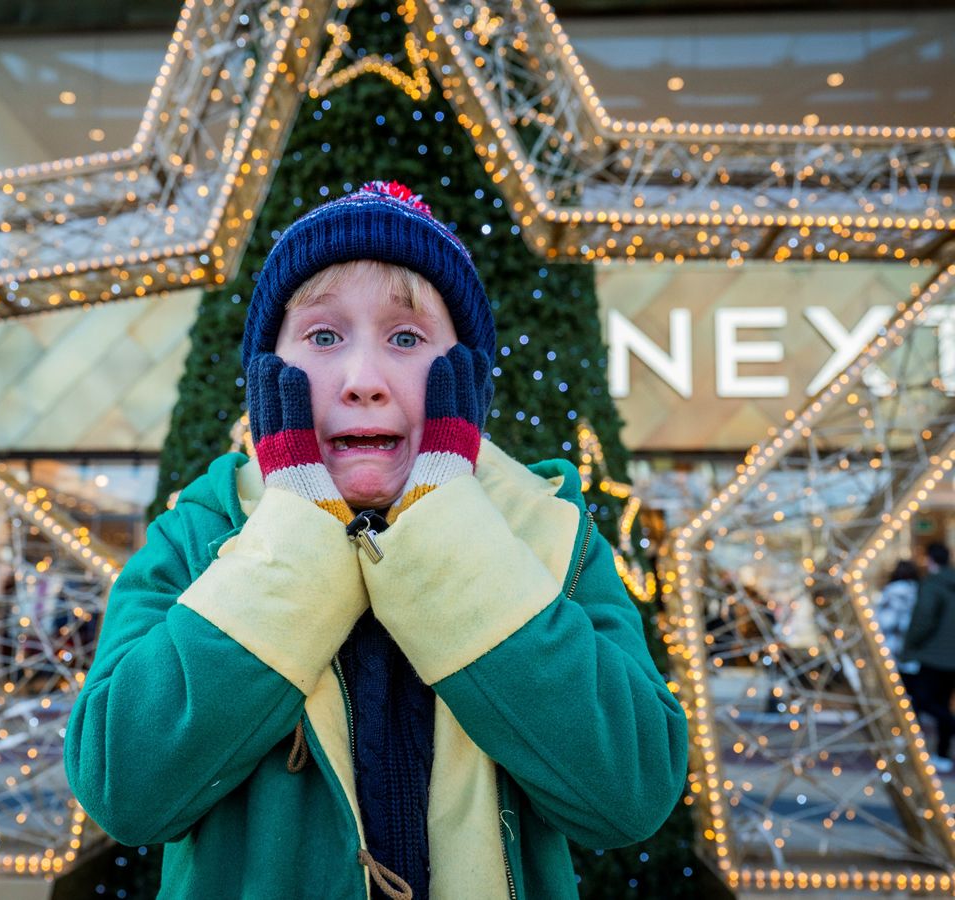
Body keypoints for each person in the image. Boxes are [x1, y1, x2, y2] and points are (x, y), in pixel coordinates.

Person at [63, 181, 689, 898]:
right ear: (268, 375)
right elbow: (122, 790)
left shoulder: (549, 534)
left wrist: (446, 524)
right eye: (324, 337)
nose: (363, 380)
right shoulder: (197, 534)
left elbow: (630, 795)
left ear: (466, 378)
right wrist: (297, 531)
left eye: (406, 338)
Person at [903, 543, 955, 774]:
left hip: (933, 656)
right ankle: (942, 754)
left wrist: (910, 645)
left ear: (929, 559)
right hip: (948, 657)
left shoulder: (932, 584)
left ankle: (927, 750)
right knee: (942, 703)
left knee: (922, 700)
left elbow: (923, 621)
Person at [875, 560, 921, 696]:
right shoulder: (919, 590)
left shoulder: (891, 592)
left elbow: (886, 621)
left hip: (893, 648)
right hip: (914, 648)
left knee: (894, 692)